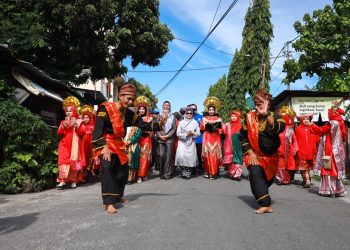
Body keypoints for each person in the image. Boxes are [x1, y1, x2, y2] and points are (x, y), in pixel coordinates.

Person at [92, 84, 164, 214]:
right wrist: (103, 147)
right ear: (120, 96)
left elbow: (143, 125)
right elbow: (97, 131)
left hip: (119, 144)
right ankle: (109, 202)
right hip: (106, 144)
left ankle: (118, 195)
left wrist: (160, 123)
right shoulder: (106, 108)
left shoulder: (129, 113)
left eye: (132, 99)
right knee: (108, 169)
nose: (130, 102)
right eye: (128, 98)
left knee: (122, 171)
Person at [240, 90, 285, 214]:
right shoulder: (248, 117)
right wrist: (250, 152)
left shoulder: (276, 117)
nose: (257, 107)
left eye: (260, 105)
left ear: (268, 104)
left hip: (271, 158)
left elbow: (279, 129)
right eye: (256, 104)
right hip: (254, 155)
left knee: (264, 181)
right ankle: (266, 205)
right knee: (255, 172)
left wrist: (266, 115)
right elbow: (242, 137)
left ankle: (260, 190)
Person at [307, 100, 347, 197]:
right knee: (335, 169)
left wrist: (311, 124)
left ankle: (329, 190)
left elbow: (321, 130)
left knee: (328, 168)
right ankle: (337, 190)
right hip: (338, 149)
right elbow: (344, 137)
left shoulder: (331, 123)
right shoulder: (341, 123)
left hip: (329, 148)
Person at [57, 96, 83, 189]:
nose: (68, 112)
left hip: (74, 145)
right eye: (67, 111)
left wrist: (77, 127)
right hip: (64, 144)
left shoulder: (79, 121)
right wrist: (64, 126)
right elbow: (59, 132)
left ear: (74, 111)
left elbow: (82, 133)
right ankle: (62, 180)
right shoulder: (63, 121)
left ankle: (73, 180)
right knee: (63, 161)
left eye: (71, 111)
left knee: (73, 163)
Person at [200, 97, 223, 180]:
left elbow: (221, 130)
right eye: (210, 110)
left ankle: (213, 173)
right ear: (208, 110)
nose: (211, 111)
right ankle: (207, 171)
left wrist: (218, 129)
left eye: (212, 110)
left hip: (215, 138)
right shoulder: (204, 118)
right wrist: (205, 126)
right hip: (207, 137)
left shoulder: (219, 119)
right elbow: (201, 128)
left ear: (215, 110)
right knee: (207, 156)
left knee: (214, 156)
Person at [295, 114, 320, 188]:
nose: (306, 120)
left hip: (312, 151)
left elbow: (318, 138)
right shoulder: (298, 129)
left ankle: (307, 180)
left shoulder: (312, 128)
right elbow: (295, 140)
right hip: (301, 151)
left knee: (309, 167)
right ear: (301, 120)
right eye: (304, 119)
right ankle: (307, 181)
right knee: (303, 167)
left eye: (308, 119)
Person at [175, 108, 201, 179]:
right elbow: (178, 133)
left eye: (190, 113)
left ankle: (188, 173)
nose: (189, 114)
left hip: (191, 142)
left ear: (192, 114)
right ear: (185, 114)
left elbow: (198, 133)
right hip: (182, 142)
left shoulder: (195, 122)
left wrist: (192, 133)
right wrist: (186, 135)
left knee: (190, 157)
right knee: (182, 156)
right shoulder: (181, 122)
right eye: (187, 113)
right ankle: (183, 172)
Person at [275, 106, 298, 185]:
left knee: (288, 164)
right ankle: (280, 179)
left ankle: (287, 179)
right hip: (280, 149)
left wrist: (295, 149)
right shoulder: (279, 128)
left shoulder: (291, 129)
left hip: (289, 150)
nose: (289, 119)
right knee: (280, 164)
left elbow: (294, 139)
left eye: (290, 117)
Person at [135, 96, 153, 183]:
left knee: (144, 158)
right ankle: (136, 175)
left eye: (143, 109)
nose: (141, 110)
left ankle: (142, 174)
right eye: (140, 109)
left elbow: (151, 130)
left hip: (145, 139)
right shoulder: (135, 118)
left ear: (146, 110)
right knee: (136, 158)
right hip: (136, 140)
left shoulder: (149, 119)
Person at [157, 101, 176, 180]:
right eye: (165, 105)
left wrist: (168, 135)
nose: (166, 106)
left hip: (169, 139)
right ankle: (161, 172)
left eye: (168, 105)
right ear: (162, 106)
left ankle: (167, 173)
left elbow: (174, 128)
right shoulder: (159, 116)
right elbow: (156, 127)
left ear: (170, 107)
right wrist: (160, 136)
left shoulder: (173, 116)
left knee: (168, 157)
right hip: (161, 138)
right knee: (161, 155)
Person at [223, 110, 243, 181]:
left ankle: (237, 174)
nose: (233, 117)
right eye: (232, 116)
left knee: (237, 159)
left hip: (238, 145)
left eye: (235, 116)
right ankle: (232, 173)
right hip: (229, 146)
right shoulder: (227, 125)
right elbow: (222, 132)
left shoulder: (241, 126)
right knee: (231, 160)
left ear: (238, 117)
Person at [76, 105, 95, 181]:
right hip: (83, 146)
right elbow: (79, 133)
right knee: (84, 160)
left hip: (90, 146)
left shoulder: (92, 126)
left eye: (87, 117)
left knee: (91, 160)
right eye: (85, 117)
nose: (86, 119)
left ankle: (89, 174)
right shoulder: (81, 126)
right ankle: (83, 175)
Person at [190, 104, 204, 175]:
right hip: (190, 140)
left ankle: (200, 168)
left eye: (194, 109)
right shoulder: (188, 116)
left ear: (196, 109)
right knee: (191, 155)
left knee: (199, 154)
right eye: (191, 109)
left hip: (200, 139)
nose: (193, 110)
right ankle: (192, 169)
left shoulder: (201, 117)